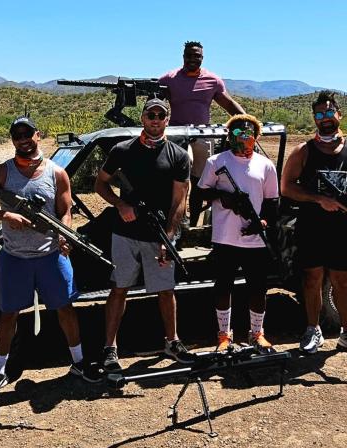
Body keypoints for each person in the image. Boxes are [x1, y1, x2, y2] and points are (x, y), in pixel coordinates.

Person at [0, 116, 101, 397]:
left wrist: (65, 234)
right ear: (13, 139)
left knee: (65, 309)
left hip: (51, 255)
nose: (23, 139)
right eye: (17, 135)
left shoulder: (57, 173)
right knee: (8, 315)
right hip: (14, 257)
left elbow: (65, 211)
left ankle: (79, 363)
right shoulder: (2, 173)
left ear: (38, 135)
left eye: (28, 133)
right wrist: (5, 214)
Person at [94, 98, 192, 372]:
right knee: (119, 289)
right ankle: (110, 348)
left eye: (161, 115)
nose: (156, 119)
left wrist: (169, 238)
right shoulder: (122, 151)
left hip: (158, 235)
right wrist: (120, 204)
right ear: (143, 117)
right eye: (151, 114)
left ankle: (172, 342)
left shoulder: (178, 156)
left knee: (165, 290)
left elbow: (179, 201)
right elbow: (100, 183)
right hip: (125, 234)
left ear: (167, 120)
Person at [197, 114, 278, 354]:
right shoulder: (216, 162)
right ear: (229, 135)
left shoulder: (266, 165)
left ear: (256, 136)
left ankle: (257, 334)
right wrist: (223, 197)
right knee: (223, 287)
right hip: (224, 237)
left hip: (255, 239)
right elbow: (201, 193)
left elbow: (272, 203)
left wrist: (261, 223)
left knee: (257, 288)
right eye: (238, 132)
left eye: (249, 133)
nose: (243, 137)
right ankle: (224, 335)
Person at [281, 90, 347, 354]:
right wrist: (319, 199)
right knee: (312, 279)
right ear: (314, 119)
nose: (325, 118)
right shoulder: (303, 151)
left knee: (342, 281)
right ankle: (313, 330)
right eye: (320, 114)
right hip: (312, 226)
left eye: (329, 112)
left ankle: (345, 332)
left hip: (342, 228)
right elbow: (287, 187)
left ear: (339, 114)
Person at [159, 41, 245, 226]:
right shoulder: (169, 79)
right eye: (189, 55)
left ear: (202, 58)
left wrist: (247, 121)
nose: (192, 59)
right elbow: (155, 103)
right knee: (180, 177)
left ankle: (192, 225)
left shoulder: (212, 80)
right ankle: (175, 222)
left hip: (203, 135)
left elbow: (228, 104)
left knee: (200, 182)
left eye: (196, 56)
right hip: (177, 134)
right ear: (183, 56)